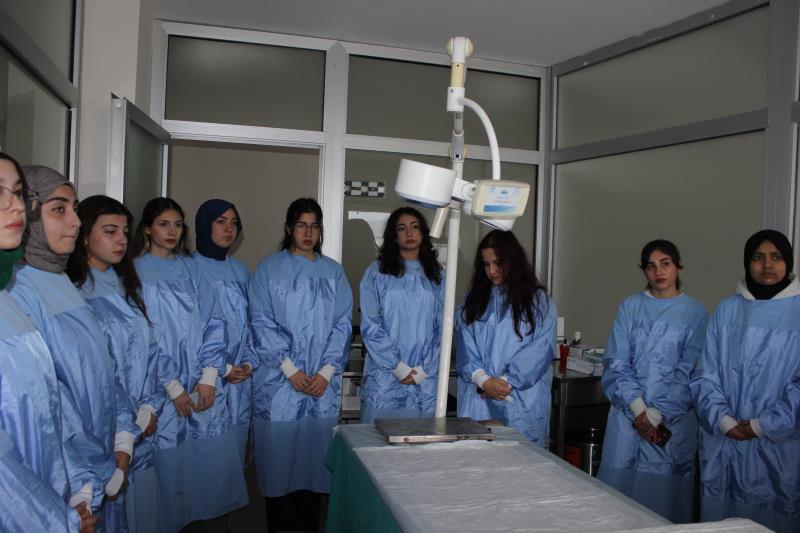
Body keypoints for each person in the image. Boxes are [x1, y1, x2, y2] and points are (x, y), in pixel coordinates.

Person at [9, 166, 136, 531]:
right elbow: (51, 402)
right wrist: (86, 478)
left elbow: (103, 368)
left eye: (75, 209)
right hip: (68, 479)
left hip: (102, 456)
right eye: (59, 209)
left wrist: (122, 435)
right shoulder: (19, 290)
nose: (76, 222)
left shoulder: (62, 280)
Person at [131, 197, 247, 531]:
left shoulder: (192, 269)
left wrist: (209, 376)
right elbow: (141, 339)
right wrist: (172, 386)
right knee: (169, 482)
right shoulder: (135, 272)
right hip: (161, 394)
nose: (172, 232)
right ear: (148, 229)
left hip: (202, 390)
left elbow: (214, 321)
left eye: (178, 225)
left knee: (210, 478)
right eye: (164, 224)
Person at [0, 153, 96, 532]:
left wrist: (80, 481)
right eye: (58, 209)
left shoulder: (9, 296)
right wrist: (56, 521)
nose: (15, 206)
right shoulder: (21, 290)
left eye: (18, 193)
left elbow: (52, 403)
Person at [249, 198, 352, 532]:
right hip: (279, 386)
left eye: (314, 226)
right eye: (301, 225)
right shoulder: (268, 269)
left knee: (313, 470)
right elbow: (261, 321)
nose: (308, 233)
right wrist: (290, 370)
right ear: (288, 228)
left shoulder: (333, 272)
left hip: (320, 387)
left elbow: (341, 324)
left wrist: (326, 372)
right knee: (279, 469)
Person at [691, 230, 800, 533]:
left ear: (788, 263)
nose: (767, 265)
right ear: (747, 263)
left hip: (778, 447)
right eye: (758, 257)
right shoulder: (728, 308)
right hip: (725, 441)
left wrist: (762, 425)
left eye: (776, 257)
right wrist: (723, 420)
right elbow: (705, 374)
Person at [67, 195, 163, 532]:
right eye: (110, 231)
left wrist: (149, 406)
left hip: (142, 420)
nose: (121, 240)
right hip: (106, 425)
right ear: (84, 236)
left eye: (124, 231)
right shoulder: (76, 293)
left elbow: (151, 349)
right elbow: (96, 370)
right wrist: (131, 418)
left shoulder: (127, 284)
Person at [596, 240, 708, 523]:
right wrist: (639, 409)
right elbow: (617, 363)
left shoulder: (695, 314)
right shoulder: (630, 308)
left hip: (671, 424)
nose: (659, 272)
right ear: (644, 271)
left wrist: (657, 414)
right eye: (651, 266)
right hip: (628, 420)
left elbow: (690, 371)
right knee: (618, 507)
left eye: (665, 264)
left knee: (662, 509)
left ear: (678, 267)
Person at [456, 230, 556, 445]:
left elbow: (541, 350)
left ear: (513, 261)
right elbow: (466, 344)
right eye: (486, 264)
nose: (492, 271)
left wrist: (504, 384)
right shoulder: (474, 300)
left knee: (522, 460)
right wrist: (483, 381)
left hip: (521, 399)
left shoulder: (539, 301)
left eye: (498, 263)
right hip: (480, 397)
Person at [359, 207, 444, 423]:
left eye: (415, 227)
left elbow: (443, 326)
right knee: (378, 440)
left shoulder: (436, 275)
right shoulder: (376, 273)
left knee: (422, 440)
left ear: (423, 232)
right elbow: (371, 324)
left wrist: (424, 368)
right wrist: (397, 367)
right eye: (402, 228)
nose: (409, 233)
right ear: (393, 235)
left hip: (424, 378)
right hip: (385, 377)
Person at [193, 199, 256, 459]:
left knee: (234, 457)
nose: (229, 229)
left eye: (234, 223)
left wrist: (249, 363)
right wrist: (221, 369)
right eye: (221, 222)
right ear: (204, 225)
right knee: (204, 457)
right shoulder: (189, 269)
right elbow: (184, 334)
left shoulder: (242, 272)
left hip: (240, 381)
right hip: (203, 380)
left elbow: (253, 325)